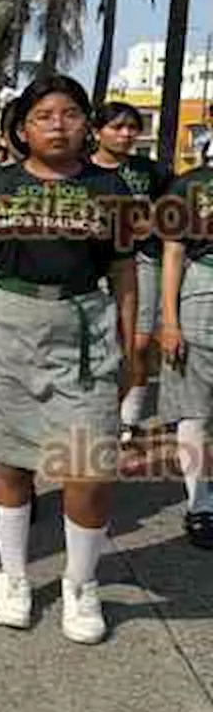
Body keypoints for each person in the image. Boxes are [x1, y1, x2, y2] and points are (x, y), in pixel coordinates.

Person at [0, 75, 136, 644]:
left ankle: (81, 584)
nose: (58, 124)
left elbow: (124, 272)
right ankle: (13, 577)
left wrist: (134, 346)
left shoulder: (112, 190)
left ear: (87, 124)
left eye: (71, 113)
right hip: (8, 322)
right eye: (44, 115)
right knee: (10, 461)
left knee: (89, 466)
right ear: (22, 129)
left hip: (83, 327)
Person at [89, 102, 170, 449]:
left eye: (132, 128)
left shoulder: (150, 172)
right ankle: (98, 412)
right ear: (97, 132)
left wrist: (148, 222)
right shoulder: (82, 171)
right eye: (117, 127)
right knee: (101, 344)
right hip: (94, 264)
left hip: (143, 261)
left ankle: (128, 417)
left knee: (137, 344)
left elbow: (171, 213)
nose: (125, 134)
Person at [156, 155, 213, 548]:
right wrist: (171, 321)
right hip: (203, 289)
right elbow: (173, 253)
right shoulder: (189, 185)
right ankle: (200, 503)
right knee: (196, 405)